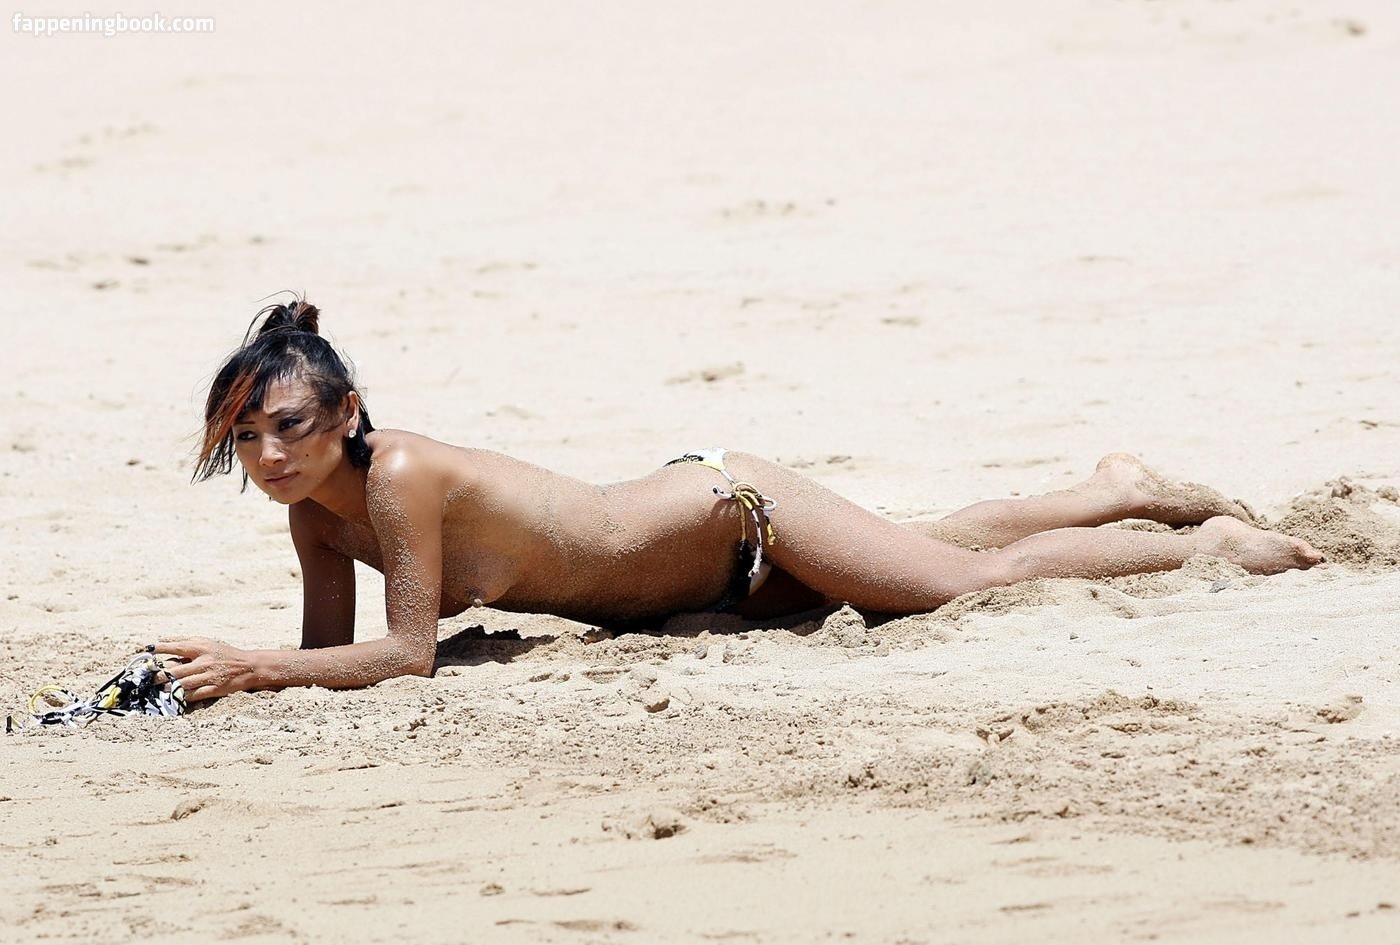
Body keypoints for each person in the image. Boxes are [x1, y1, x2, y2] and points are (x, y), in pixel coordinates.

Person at [157, 298, 1324, 702]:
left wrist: (250, 665)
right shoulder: (313, 515)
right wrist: (246, 673)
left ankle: (1208, 549)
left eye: (288, 426)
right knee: (917, 548)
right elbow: (330, 654)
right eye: (245, 437)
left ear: (348, 413)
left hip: (728, 517)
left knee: (957, 583)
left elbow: (406, 655)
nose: (267, 454)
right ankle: (1111, 490)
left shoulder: (400, 476)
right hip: (698, 573)